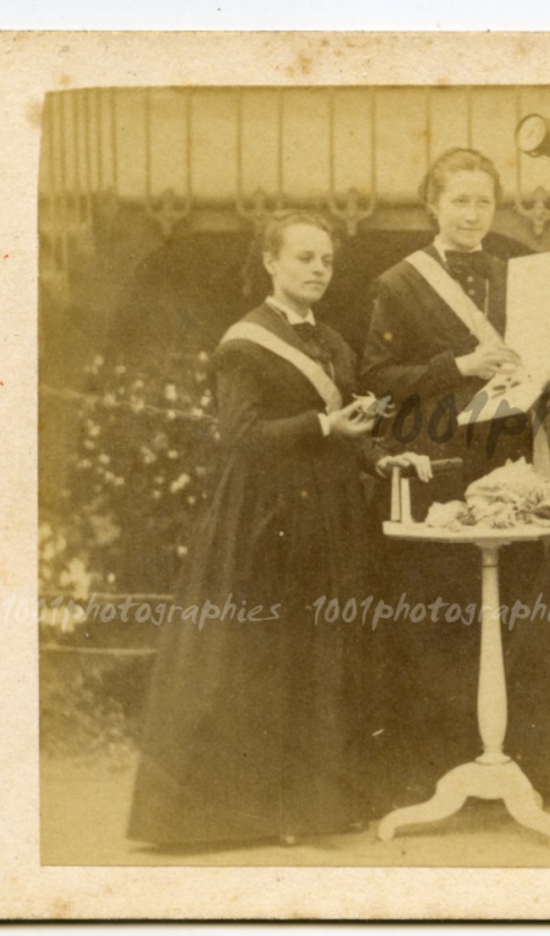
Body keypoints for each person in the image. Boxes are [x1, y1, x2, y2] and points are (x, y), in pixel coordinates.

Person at [128, 211, 430, 847]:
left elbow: (352, 424)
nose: (318, 270)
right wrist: (323, 428)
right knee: (269, 658)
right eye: (304, 258)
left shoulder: (333, 343)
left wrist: (381, 456)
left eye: (325, 260)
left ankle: (313, 807)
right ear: (271, 261)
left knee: (323, 656)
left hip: (331, 515)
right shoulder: (244, 342)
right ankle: (252, 812)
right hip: (268, 518)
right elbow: (238, 436)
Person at [360, 147, 550, 797]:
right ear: (432, 205)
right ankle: (443, 761)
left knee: (534, 599)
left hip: (516, 455)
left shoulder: (519, 277)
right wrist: (456, 367)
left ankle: (548, 762)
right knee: (450, 606)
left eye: (482, 201)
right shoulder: (397, 285)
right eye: (459, 200)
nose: (472, 213)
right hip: (448, 465)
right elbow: (375, 385)